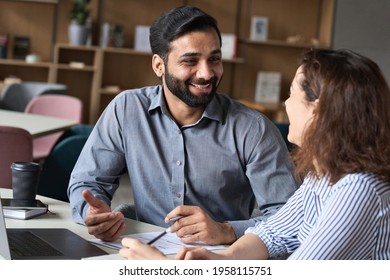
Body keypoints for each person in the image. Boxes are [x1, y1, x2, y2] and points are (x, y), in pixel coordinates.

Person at [119, 48, 390, 260]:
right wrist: (221, 260)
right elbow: (273, 233)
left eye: (291, 93)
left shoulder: (358, 188)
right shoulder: (324, 176)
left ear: (317, 110)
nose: (286, 103)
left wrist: (163, 269)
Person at [67, 6, 297, 245]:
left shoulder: (253, 129)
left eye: (214, 59)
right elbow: (88, 182)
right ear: (159, 66)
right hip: (143, 252)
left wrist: (226, 230)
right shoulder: (127, 109)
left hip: (219, 258)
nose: (206, 73)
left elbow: (291, 220)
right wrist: (93, 213)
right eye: (190, 61)